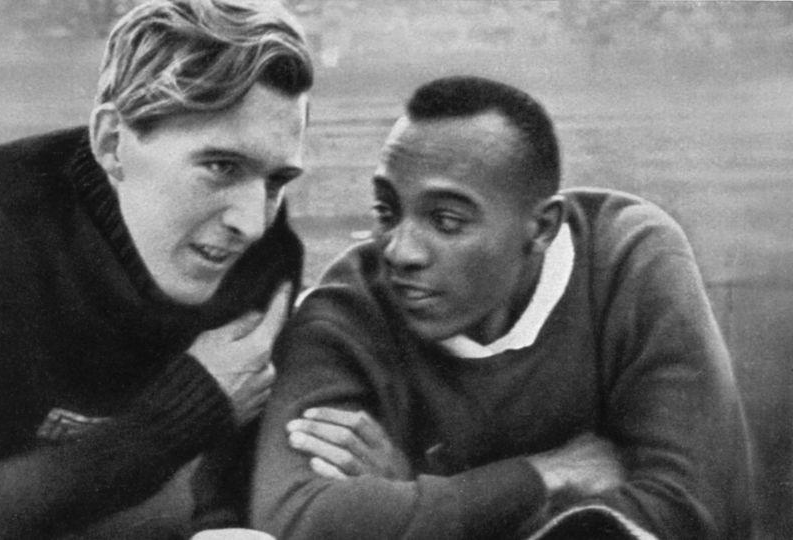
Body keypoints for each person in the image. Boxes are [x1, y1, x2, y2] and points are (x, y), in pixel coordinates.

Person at [0, 1, 313, 538]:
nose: (251, 222)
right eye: (221, 166)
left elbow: (226, 504)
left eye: (276, 181)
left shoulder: (264, 256)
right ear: (111, 143)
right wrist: (179, 418)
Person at [251, 76, 752, 539]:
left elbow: (690, 514)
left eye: (446, 220)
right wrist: (539, 477)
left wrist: (418, 500)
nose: (400, 251)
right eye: (388, 211)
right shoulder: (349, 305)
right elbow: (295, 519)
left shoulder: (627, 257)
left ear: (540, 229)